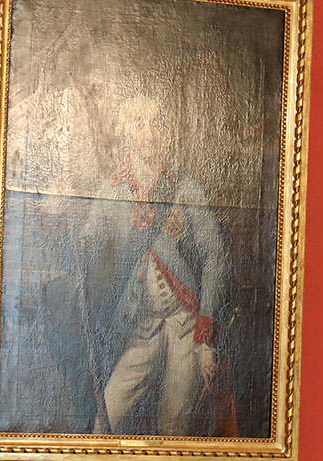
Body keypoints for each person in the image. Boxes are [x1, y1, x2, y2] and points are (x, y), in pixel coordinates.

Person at [80, 94, 236, 437]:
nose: (149, 134)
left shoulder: (185, 187)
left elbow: (215, 256)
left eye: (156, 124)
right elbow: (85, 247)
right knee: (106, 420)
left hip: (184, 323)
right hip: (140, 323)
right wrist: (55, 215)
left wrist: (204, 337)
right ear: (126, 130)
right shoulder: (111, 191)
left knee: (174, 425)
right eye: (140, 124)